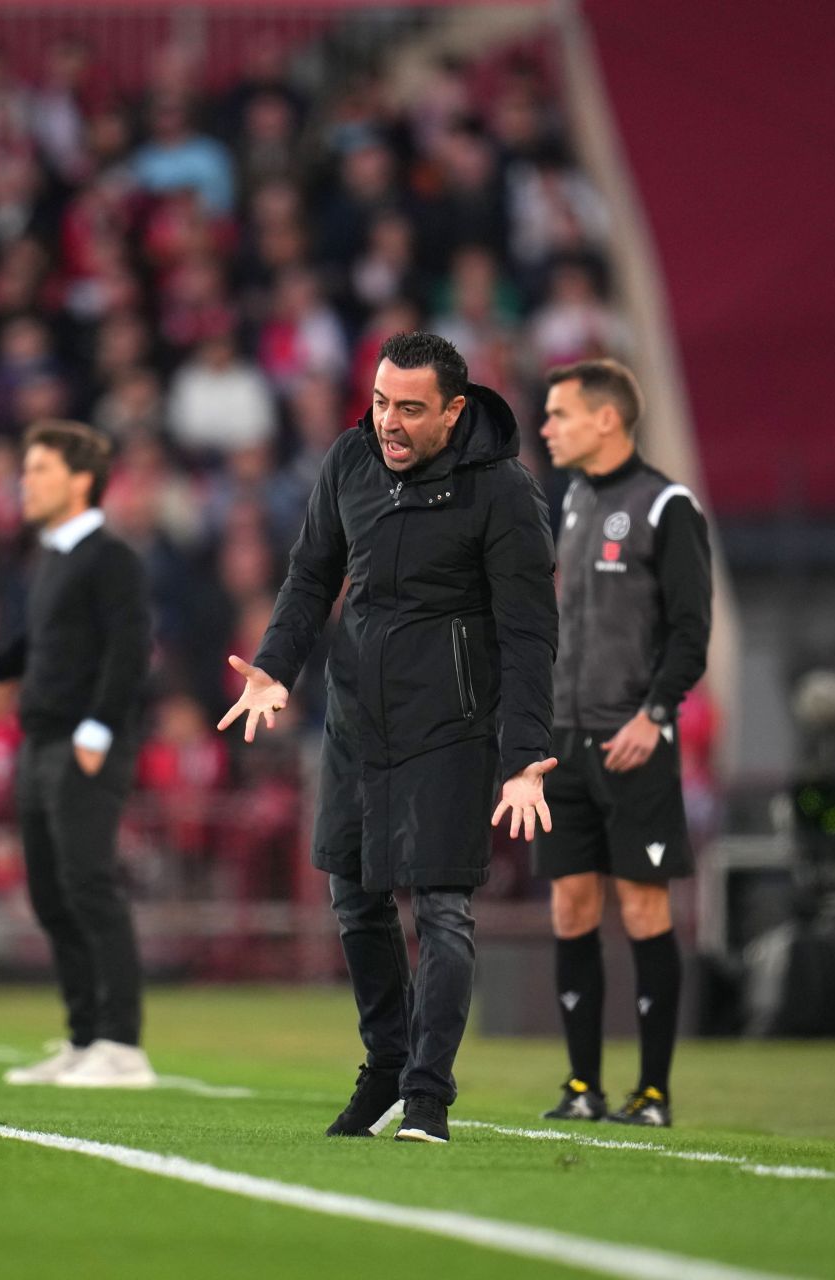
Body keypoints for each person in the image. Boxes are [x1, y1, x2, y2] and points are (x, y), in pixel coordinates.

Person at [219, 331, 558, 1145]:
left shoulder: (503, 493)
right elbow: (310, 576)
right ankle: (384, 1069)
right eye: (379, 403)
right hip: (355, 718)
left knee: (441, 907)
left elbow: (529, 634)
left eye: (410, 409)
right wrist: (273, 668)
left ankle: (428, 1097)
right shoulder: (349, 462)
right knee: (354, 896)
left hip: (451, 726)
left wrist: (523, 760)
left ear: (455, 411)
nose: (389, 424)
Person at [0, 421, 156, 1088]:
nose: (25, 480)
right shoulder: (53, 558)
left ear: (79, 480)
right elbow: (36, 641)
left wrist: (97, 730)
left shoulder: (111, 558)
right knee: (50, 895)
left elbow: (130, 650)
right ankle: (84, 1036)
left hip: (82, 743)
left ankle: (123, 1048)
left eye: (38, 468)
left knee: (90, 886)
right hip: (40, 743)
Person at [533, 358, 711, 1128]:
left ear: (607, 419)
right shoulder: (571, 501)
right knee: (571, 905)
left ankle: (654, 1092)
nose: (546, 428)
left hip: (633, 742)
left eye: (559, 415)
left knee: (643, 909)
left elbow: (691, 631)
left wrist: (656, 713)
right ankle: (582, 1086)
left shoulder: (666, 505)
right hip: (565, 744)